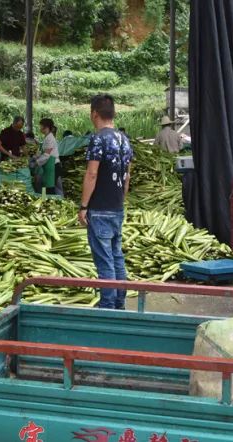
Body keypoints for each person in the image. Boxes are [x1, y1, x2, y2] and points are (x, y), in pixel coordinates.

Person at [78, 94, 133, 310]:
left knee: (105, 261)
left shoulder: (98, 139)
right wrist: (121, 200)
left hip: (99, 209)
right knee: (117, 257)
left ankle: (107, 307)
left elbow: (92, 174)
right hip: (117, 208)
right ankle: (119, 303)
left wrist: (83, 206)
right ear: (114, 114)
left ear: (94, 114)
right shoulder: (124, 139)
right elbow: (127, 176)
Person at [35, 118, 63, 195]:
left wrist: (36, 162)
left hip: (53, 166)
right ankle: (45, 201)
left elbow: (46, 155)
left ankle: (52, 203)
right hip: (49, 167)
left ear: (46, 127)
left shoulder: (50, 138)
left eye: (41, 126)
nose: (40, 128)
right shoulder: (47, 137)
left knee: (50, 189)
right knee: (47, 186)